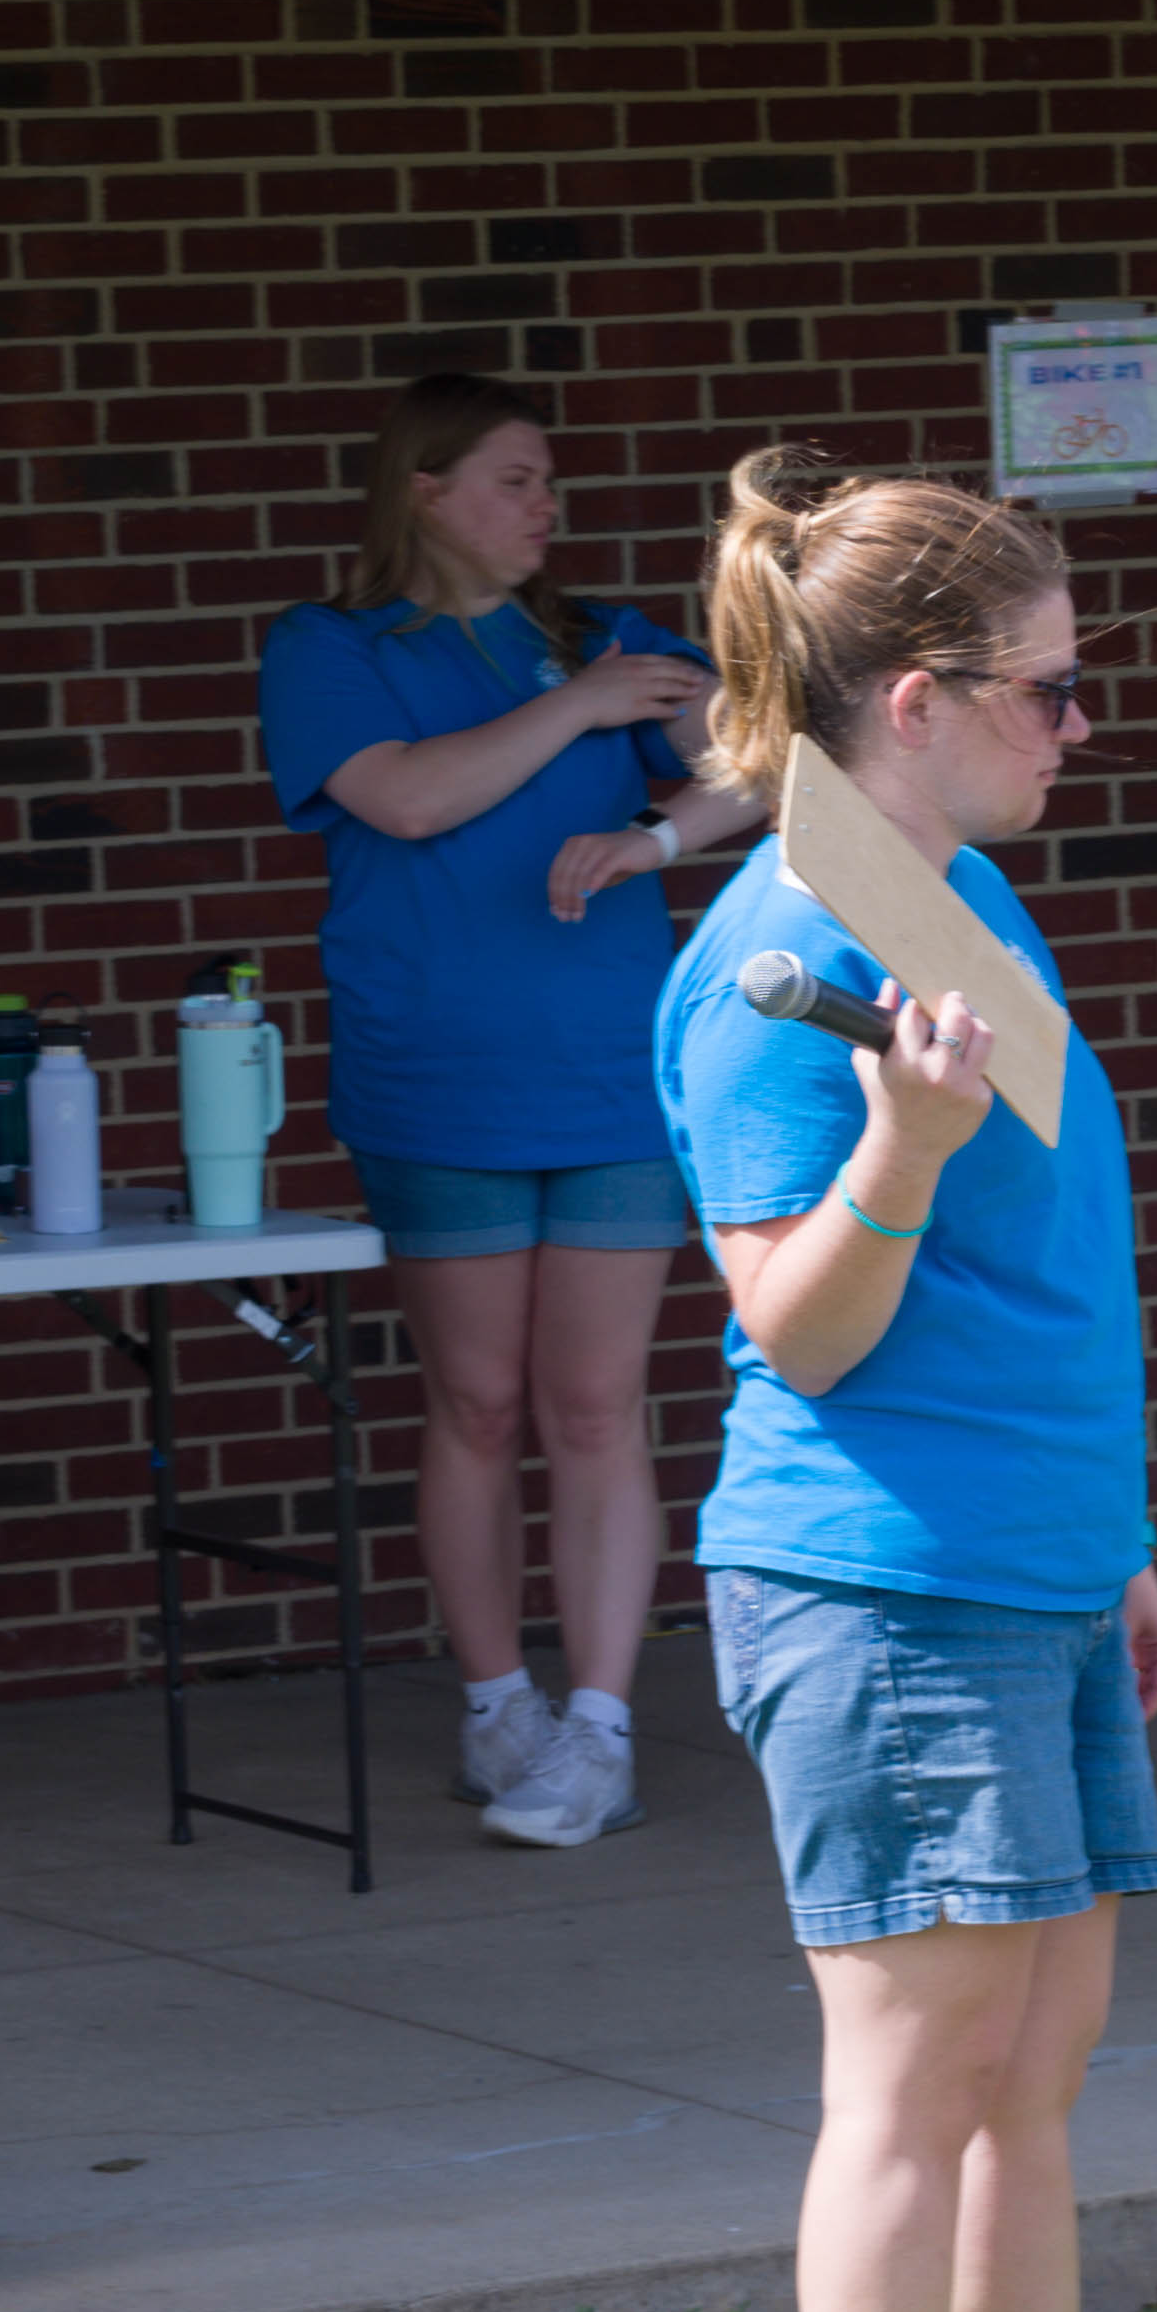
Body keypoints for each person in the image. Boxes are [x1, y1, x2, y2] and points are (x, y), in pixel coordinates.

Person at [656, 447, 1157, 2312]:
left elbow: (1035, 1281)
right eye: (1051, 691)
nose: (1076, 727)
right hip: (878, 1594)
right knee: (908, 2088)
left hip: (1035, 1570)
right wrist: (891, 1140)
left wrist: (1117, 1550)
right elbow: (797, 1322)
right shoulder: (773, 969)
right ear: (914, 700)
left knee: (1032, 2074)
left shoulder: (949, 908)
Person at [259, 373, 769, 1851]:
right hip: (436, 1069)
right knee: (477, 1404)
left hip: (613, 1068)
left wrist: (657, 832)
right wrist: (586, 708)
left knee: (596, 1404)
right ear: (424, 489)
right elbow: (408, 800)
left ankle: (600, 1724)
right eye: (513, 479)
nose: (546, 506)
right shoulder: (335, 645)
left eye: (549, 482)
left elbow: (761, 762)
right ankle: (499, 1705)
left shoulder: (610, 639)